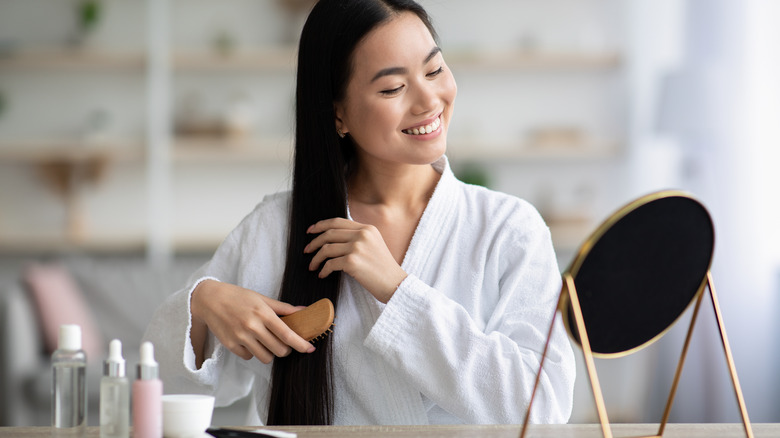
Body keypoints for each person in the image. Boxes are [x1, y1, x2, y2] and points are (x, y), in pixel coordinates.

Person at [143, 0, 575, 426]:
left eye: (434, 69)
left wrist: (396, 289)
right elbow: (165, 392)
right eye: (392, 88)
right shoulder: (277, 228)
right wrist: (201, 304)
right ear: (338, 114)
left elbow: (544, 408)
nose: (428, 100)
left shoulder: (509, 229)